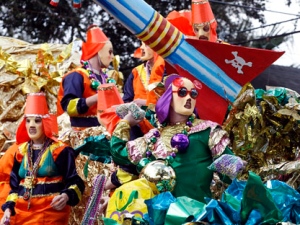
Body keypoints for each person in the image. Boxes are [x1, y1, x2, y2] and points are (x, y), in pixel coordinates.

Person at [108, 75, 246, 203]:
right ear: (168, 97)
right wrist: (125, 123)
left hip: (197, 215)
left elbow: (232, 174)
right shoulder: (153, 137)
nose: (188, 98)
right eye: (182, 92)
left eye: (193, 94)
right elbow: (119, 153)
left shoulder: (208, 131)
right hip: (160, 217)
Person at [0, 92, 85, 225]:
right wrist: (8, 210)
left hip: (50, 215)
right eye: (28, 121)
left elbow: (75, 181)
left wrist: (66, 196)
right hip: (22, 215)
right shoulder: (20, 152)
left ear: (45, 122)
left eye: (37, 120)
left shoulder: (60, 151)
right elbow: (14, 187)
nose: (31, 125)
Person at [57, 24, 114, 129]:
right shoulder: (76, 76)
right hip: (82, 135)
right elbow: (69, 107)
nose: (112, 57)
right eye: (110, 52)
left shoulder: (105, 78)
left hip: (105, 131)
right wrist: (97, 97)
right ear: (98, 51)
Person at [122, 42, 165, 108]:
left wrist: (146, 102)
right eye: (141, 44)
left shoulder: (168, 70)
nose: (141, 47)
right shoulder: (136, 72)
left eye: (146, 44)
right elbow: (126, 101)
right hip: (138, 117)